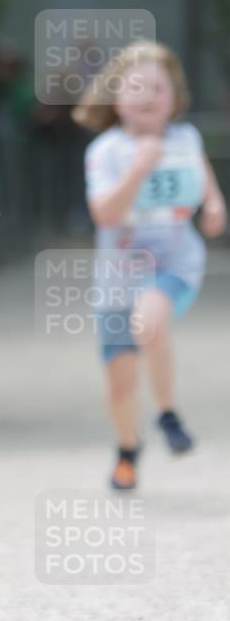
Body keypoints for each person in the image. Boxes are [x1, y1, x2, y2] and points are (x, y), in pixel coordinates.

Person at [73, 41, 226, 489]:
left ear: (174, 98)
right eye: (135, 87)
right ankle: (127, 448)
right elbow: (104, 213)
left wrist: (215, 204)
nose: (146, 96)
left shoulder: (186, 138)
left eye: (157, 88)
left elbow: (202, 175)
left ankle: (167, 412)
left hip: (175, 264)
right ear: (115, 98)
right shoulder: (106, 151)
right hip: (118, 279)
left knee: (150, 321)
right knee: (121, 383)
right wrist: (138, 169)